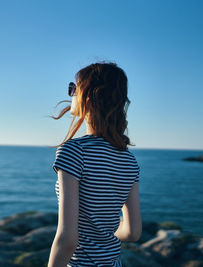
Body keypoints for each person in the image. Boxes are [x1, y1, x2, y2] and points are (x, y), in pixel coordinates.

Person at [47, 61, 142, 267]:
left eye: (73, 88)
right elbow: (133, 232)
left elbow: (67, 239)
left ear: (87, 95)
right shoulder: (129, 160)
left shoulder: (74, 151)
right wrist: (102, 234)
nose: (70, 94)